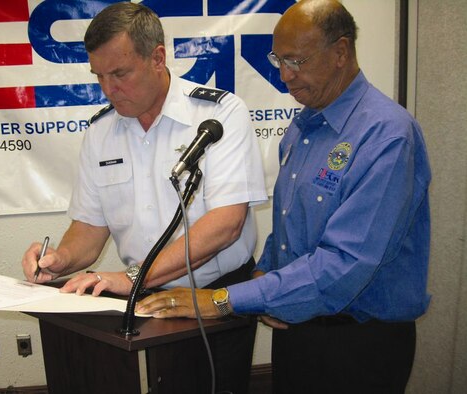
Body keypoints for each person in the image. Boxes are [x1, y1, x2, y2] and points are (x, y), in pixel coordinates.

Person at [137, 0, 432, 393]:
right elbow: (289, 229)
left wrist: (225, 299)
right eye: (278, 60)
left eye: (296, 61)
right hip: (296, 329)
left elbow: (345, 263)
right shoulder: (303, 127)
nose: (285, 76)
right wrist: (264, 276)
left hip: (358, 342)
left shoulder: (387, 136)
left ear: (341, 52)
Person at [21, 3, 267, 393]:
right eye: (99, 76)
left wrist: (132, 278)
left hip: (213, 296)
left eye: (119, 73)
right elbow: (89, 227)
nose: (108, 88)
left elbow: (226, 224)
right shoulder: (101, 132)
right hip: (143, 297)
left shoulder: (218, 115)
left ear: (157, 58)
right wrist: (59, 260)